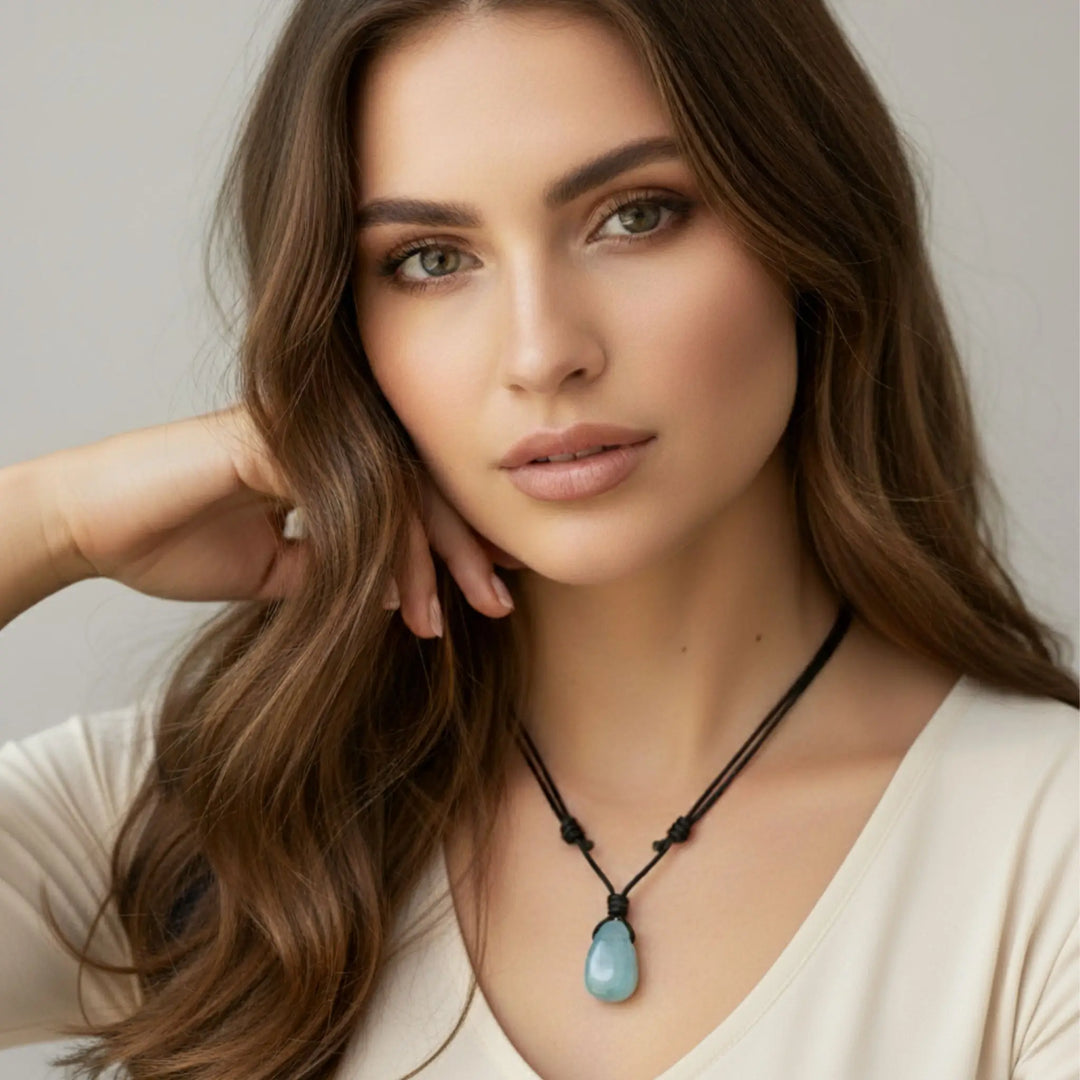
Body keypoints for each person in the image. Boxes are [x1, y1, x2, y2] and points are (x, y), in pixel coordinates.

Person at [0, 0, 1076, 1078]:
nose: (539, 350)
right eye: (429, 259)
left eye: (638, 214)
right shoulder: (225, 815)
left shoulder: (1044, 853)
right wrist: (53, 520)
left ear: (810, 229)